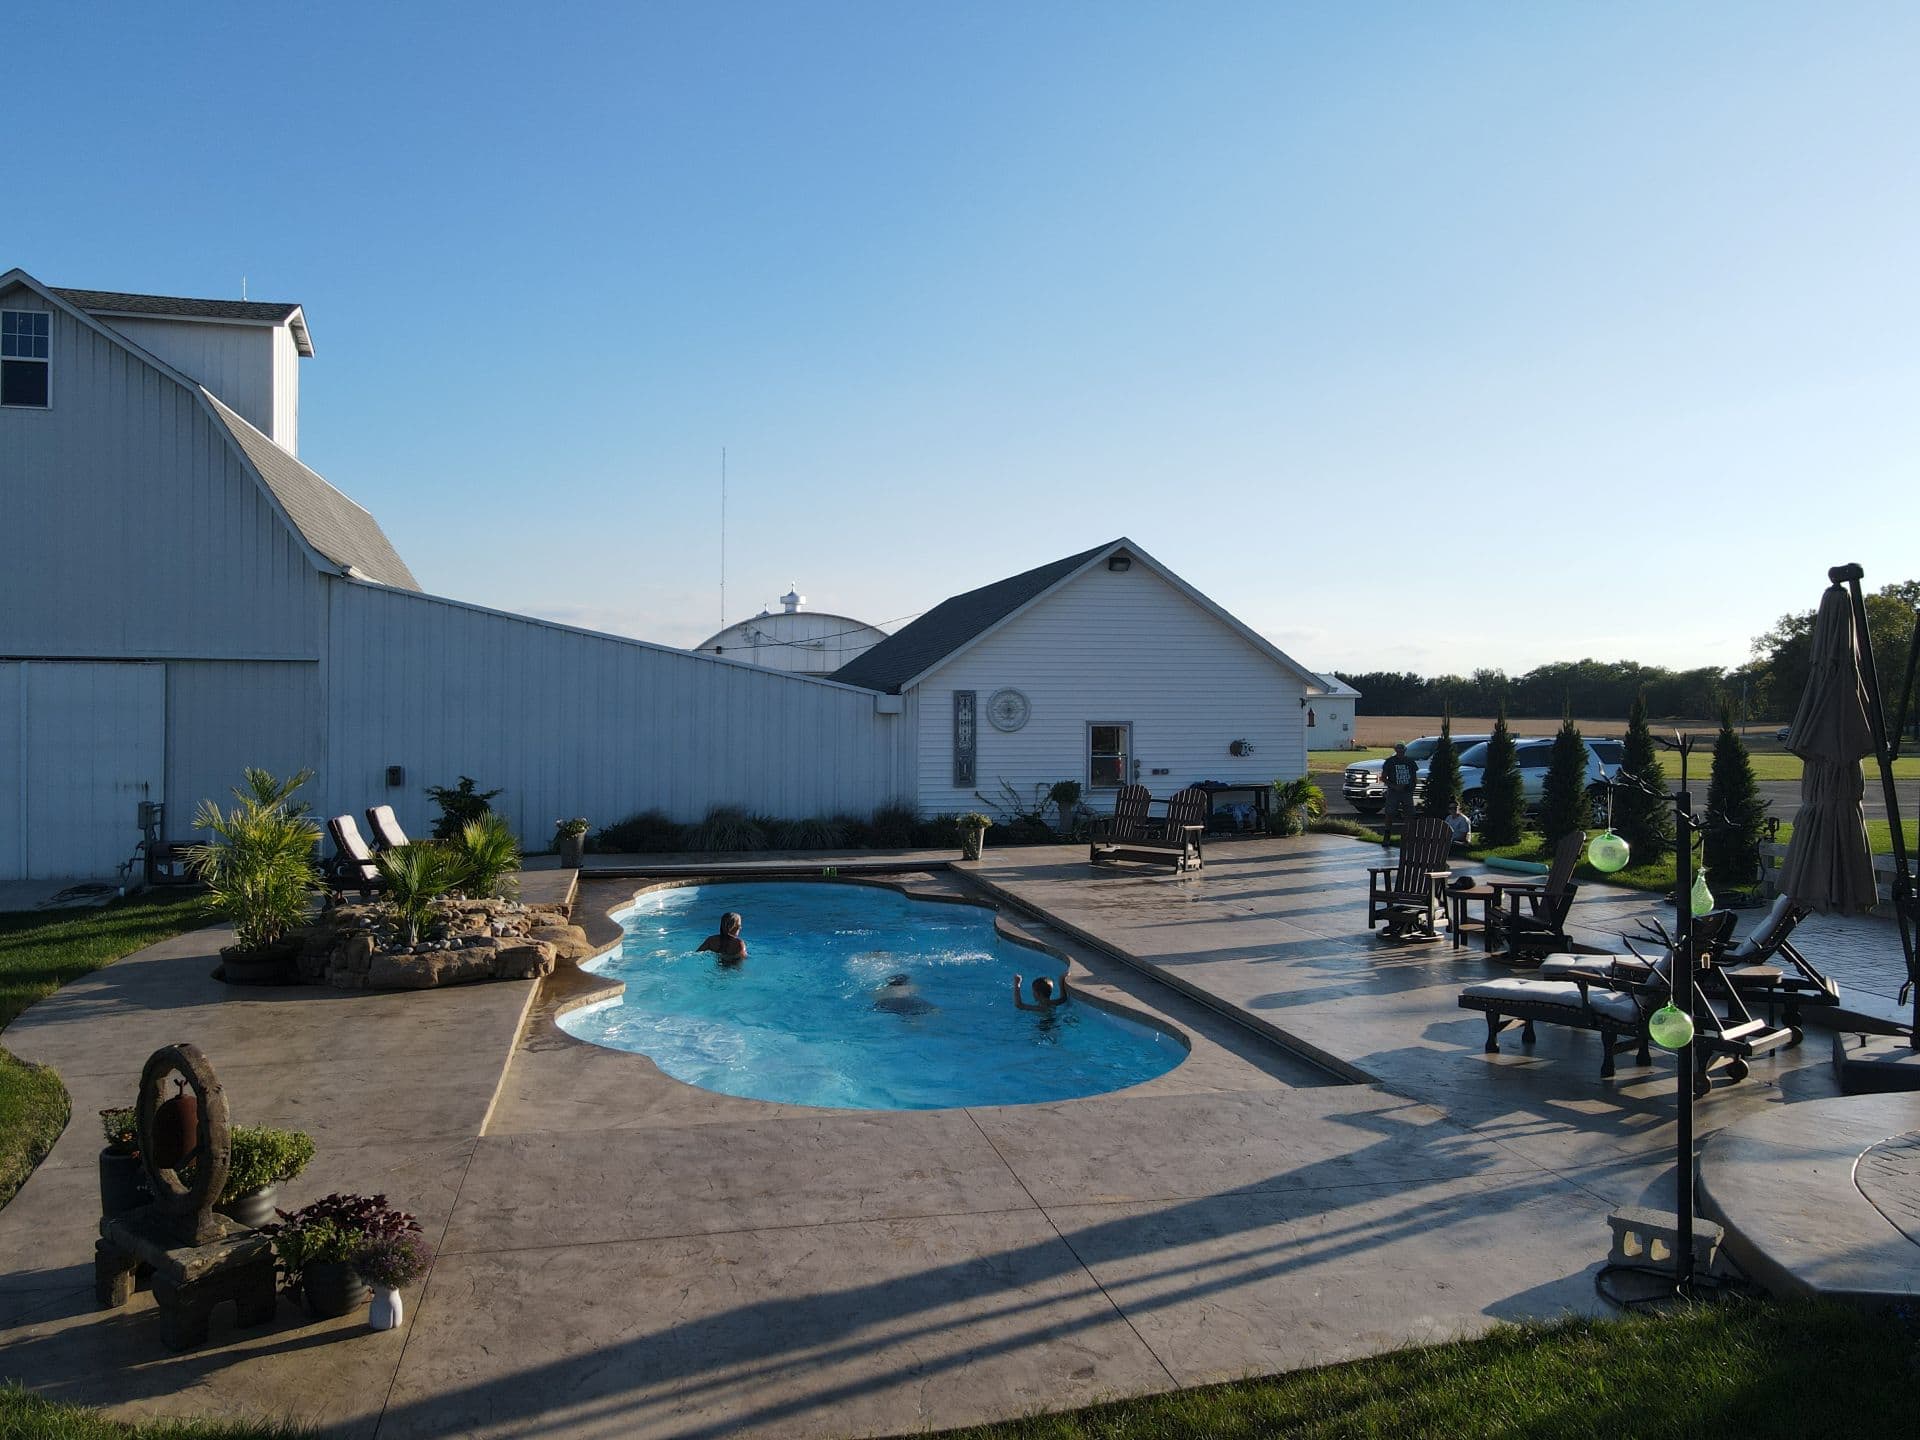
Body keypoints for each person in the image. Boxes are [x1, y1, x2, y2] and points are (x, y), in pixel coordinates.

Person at [1380, 742, 1419, 848]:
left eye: (1402, 750)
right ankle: (1387, 836)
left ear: (1405, 750)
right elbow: (1383, 778)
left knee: (1410, 814)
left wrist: (1412, 788)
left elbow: (1414, 777)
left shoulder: (1410, 762)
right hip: (1394, 792)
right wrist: (1394, 786)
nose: (1400, 752)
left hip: (1407, 792)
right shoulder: (1390, 762)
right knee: (1390, 813)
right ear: (1395, 750)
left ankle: (1407, 837)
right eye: (1398, 750)